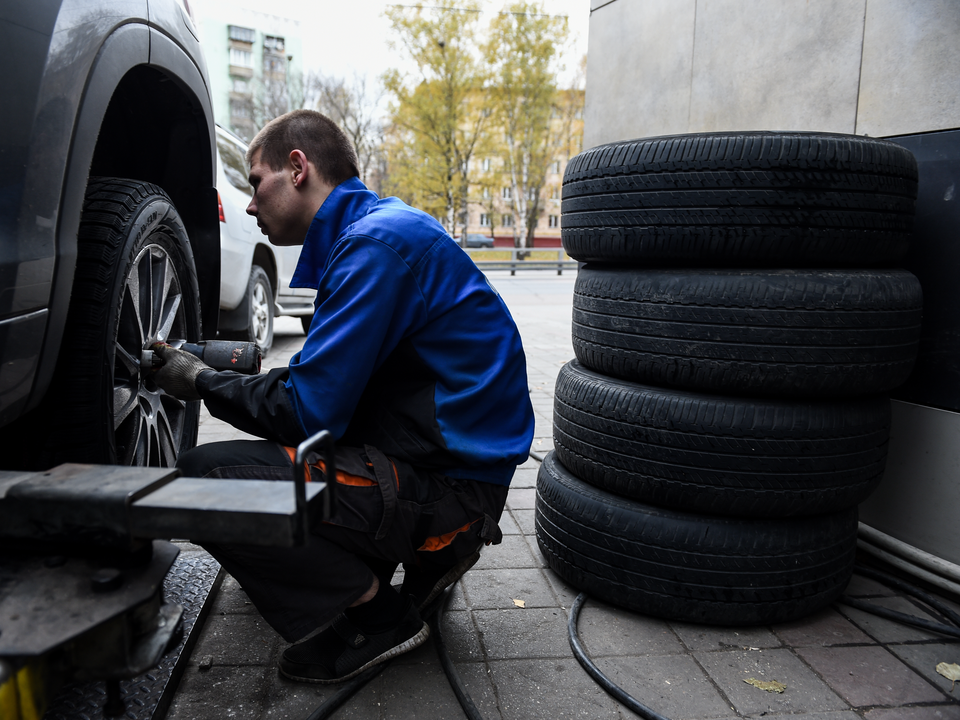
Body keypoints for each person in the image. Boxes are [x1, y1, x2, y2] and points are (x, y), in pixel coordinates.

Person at [152, 109, 535, 684]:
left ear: (298, 168)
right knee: (277, 477)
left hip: (453, 487)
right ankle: (398, 559)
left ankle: (383, 617)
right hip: (443, 458)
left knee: (202, 481)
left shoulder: (374, 248)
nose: (251, 204)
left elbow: (307, 411)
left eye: (256, 182)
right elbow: (325, 387)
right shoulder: (376, 232)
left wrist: (200, 381)